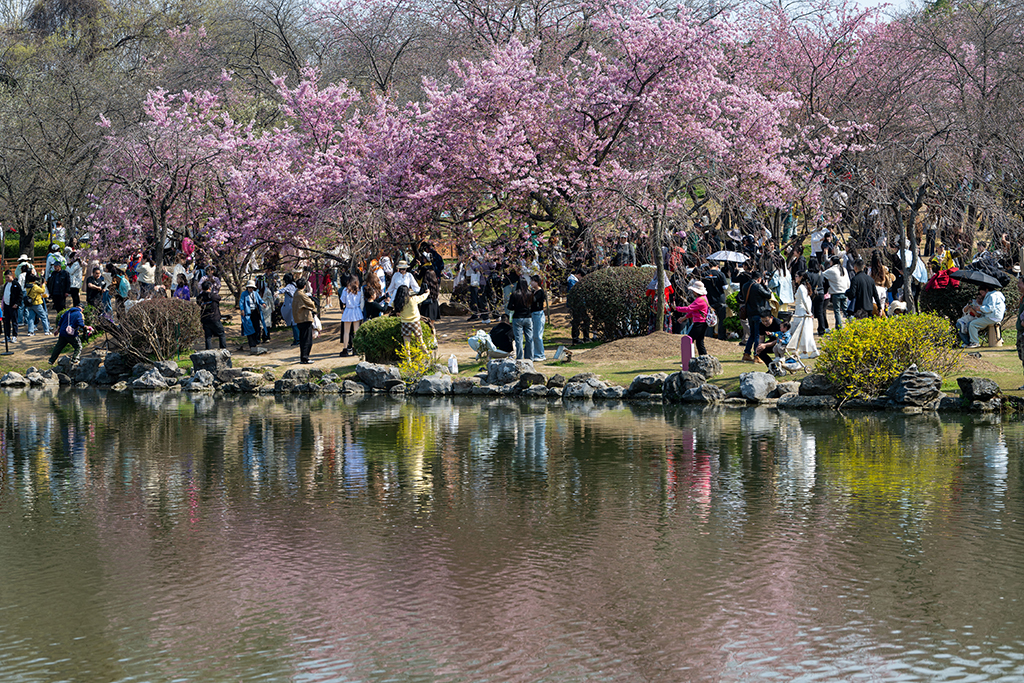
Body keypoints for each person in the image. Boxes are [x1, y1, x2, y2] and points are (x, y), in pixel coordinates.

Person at [962, 283, 1005, 348]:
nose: (982, 295)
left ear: (987, 290)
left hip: (992, 317)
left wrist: (980, 308)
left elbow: (990, 308)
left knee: (972, 324)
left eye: (982, 292)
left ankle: (975, 342)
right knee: (974, 323)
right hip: (996, 316)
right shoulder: (997, 294)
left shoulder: (991, 296)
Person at [787, 271, 818, 359]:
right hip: (801, 311)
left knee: (802, 332)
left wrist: (809, 312)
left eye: (796, 276)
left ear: (801, 277)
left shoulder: (801, 287)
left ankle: (804, 351)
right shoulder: (804, 287)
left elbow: (805, 300)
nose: (795, 278)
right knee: (805, 332)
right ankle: (813, 350)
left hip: (801, 312)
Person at [741, 271, 772, 362]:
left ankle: (746, 353)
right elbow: (768, 295)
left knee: (753, 334)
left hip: (750, 313)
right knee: (758, 335)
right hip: (759, 313)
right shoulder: (758, 286)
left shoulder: (745, 285)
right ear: (759, 279)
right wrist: (765, 285)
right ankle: (757, 355)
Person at [675, 280, 710, 356]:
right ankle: (704, 357)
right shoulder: (704, 298)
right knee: (699, 341)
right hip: (703, 323)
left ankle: (688, 359)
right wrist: (684, 317)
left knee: (688, 340)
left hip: (699, 323)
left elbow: (688, 309)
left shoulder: (699, 300)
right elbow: (693, 311)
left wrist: (676, 308)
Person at [393, 284, 430, 349]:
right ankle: (427, 356)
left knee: (406, 344)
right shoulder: (413, 299)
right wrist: (427, 293)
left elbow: (393, 305)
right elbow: (423, 297)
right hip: (415, 322)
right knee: (420, 342)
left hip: (405, 323)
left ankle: (408, 359)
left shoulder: (397, 302)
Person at [507, 278, 534, 360]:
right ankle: (530, 357)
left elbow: (509, 307)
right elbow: (533, 305)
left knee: (519, 339)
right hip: (528, 317)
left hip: (518, 317)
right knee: (529, 338)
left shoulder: (515, 294)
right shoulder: (530, 293)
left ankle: (519, 357)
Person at [292, 278, 317, 364]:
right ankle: (305, 358)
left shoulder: (296, 293)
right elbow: (312, 304)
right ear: (304, 286)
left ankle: (303, 357)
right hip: (305, 319)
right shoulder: (302, 295)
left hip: (299, 320)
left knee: (303, 339)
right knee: (307, 340)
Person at [239, 280, 267, 354]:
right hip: (247, 313)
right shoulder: (244, 294)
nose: (251, 289)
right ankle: (251, 344)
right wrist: (242, 310)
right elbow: (241, 302)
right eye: (249, 287)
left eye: (252, 287)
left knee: (256, 327)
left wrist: (263, 303)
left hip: (255, 312)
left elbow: (260, 300)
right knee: (249, 328)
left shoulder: (255, 293)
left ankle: (256, 341)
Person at [339, 274, 364, 357]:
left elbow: (343, 301)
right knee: (356, 331)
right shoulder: (359, 290)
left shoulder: (345, 290)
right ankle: (356, 349)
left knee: (346, 332)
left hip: (348, 310)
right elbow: (361, 301)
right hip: (356, 310)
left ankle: (345, 349)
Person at [197, 280, 227, 349]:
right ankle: (223, 350)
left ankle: (208, 351)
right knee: (221, 334)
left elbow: (198, 303)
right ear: (210, 288)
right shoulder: (213, 296)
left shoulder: (199, 297)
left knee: (208, 336)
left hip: (205, 318)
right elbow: (219, 298)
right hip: (214, 318)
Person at [823, 256, 851, 330]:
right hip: (845, 292)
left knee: (837, 311)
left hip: (836, 293)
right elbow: (848, 282)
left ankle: (839, 327)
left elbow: (822, 274)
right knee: (845, 310)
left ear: (832, 262)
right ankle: (852, 323)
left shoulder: (831, 270)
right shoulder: (844, 269)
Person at [703, 261, 728, 340]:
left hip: (709, 300)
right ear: (717, 266)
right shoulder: (721, 274)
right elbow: (725, 287)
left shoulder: (704, 274)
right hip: (720, 299)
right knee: (722, 319)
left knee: (708, 318)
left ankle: (708, 336)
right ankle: (721, 336)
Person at [278, 273, 299, 346]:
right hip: (295, 305)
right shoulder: (295, 285)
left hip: (291, 307)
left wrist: (277, 292)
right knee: (295, 323)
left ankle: (297, 339)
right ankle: (297, 338)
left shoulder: (289, 286)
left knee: (294, 324)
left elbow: (283, 290)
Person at [529, 274, 547, 361]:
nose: (531, 283)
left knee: (537, 335)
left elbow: (533, 300)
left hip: (538, 315)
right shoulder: (533, 292)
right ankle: (534, 353)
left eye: (533, 281)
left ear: (537, 282)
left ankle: (540, 355)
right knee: (532, 335)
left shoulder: (540, 292)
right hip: (532, 314)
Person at [2, 269, 22, 343]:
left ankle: (14, 336)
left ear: (11, 276)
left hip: (13, 306)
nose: (7, 279)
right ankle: (7, 336)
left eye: (8, 277)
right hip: (6, 305)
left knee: (14, 321)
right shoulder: (6, 284)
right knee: (6, 322)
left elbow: (20, 295)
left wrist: (16, 304)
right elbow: (4, 295)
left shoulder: (16, 284)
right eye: (6, 277)